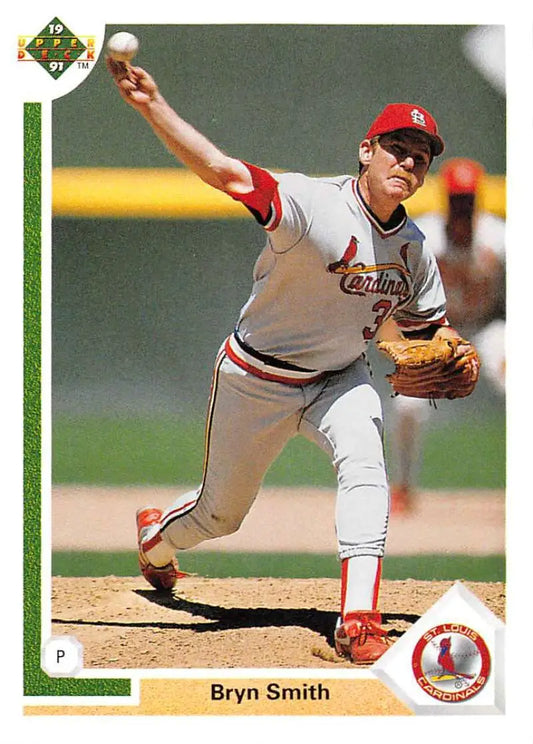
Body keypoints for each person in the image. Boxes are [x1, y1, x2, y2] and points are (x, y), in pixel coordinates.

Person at [106, 56, 479, 665]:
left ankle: (359, 617)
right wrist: (152, 106)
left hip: (340, 378)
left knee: (367, 464)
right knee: (218, 517)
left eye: (420, 155)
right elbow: (224, 172)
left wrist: (449, 349)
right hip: (256, 378)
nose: (408, 162)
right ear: (367, 150)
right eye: (396, 147)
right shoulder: (310, 203)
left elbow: (430, 330)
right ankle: (156, 535)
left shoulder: (413, 250)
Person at [386, 157, 505, 515]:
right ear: (446, 200)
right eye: (457, 198)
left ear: (477, 200)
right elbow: (394, 296)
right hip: (437, 331)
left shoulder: (499, 238)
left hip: (487, 326)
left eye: (467, 199)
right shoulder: (423, 237)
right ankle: (404, 487)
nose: (462, 206)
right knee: (407, 405)